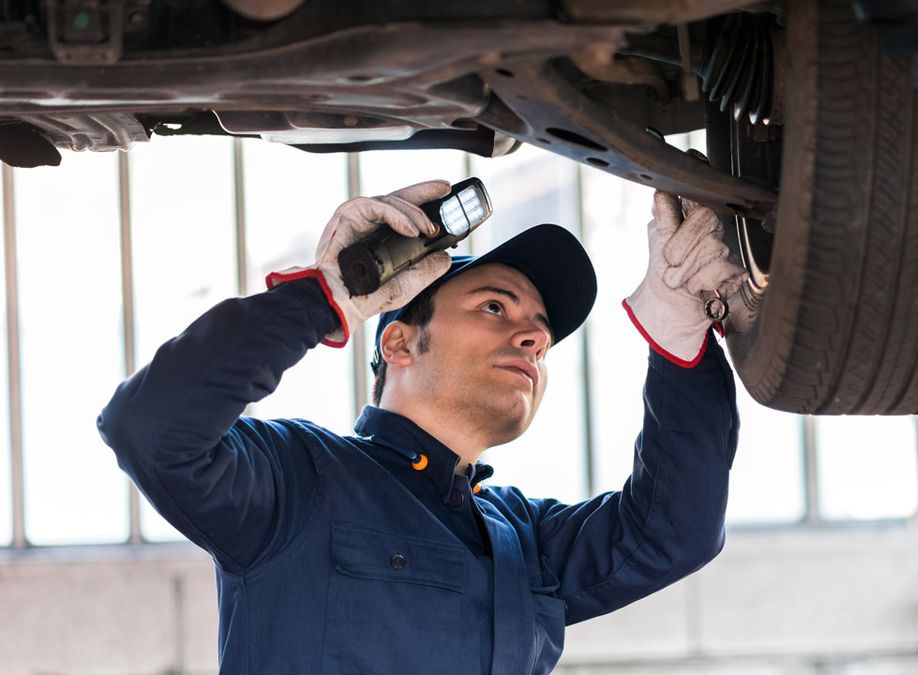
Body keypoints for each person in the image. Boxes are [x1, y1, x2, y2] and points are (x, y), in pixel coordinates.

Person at [97, 179, 746, 674]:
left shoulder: (526, 541)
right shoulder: (299, 480)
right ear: (401, 343)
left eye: (541, 340)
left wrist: (679, 344)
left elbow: (673, 530)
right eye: (495, 306)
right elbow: (149, 427)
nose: (530, 336)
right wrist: (322, 294)